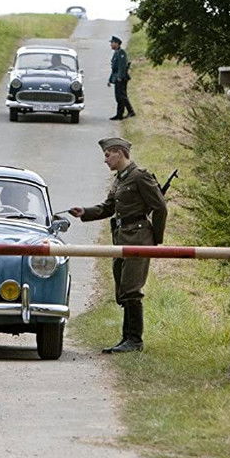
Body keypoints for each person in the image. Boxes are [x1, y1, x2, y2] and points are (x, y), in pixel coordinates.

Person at [68, 137, 166, 353]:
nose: (105, 160)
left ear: (120, 153)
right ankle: (126, 339)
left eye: (107, 155)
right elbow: (108, 207)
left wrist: (155, 240)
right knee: (122, 289)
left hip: (138, 238)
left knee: (131, 289)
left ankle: (134, 340)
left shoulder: (140, 176)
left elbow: (160, 207)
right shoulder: (120, 179)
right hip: (121, 238)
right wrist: (85, 212)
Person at [107, 36, 135, 120]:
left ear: (117, 43)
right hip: (117, 78)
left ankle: (131, 111)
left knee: (122, 96)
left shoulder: (121, 53)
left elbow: (121, 67)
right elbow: (114, 69)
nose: (111, 44)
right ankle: (119, 114)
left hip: (121, 78)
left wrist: (119, 77)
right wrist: (110, 79)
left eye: (112, 43)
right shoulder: (116, 53)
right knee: (118, 97)